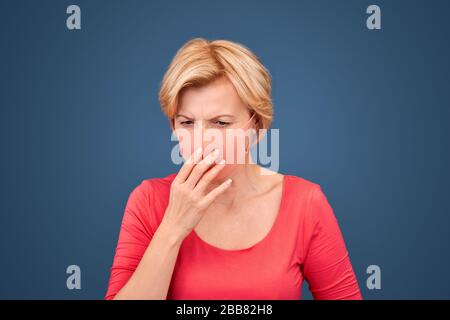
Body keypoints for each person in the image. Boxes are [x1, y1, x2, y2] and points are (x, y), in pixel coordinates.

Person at [105, 38, 362, 300]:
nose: (202, 140)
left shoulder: (305, 203)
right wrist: (173, 226)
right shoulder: (148, 201)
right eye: (187, 122)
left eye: (221, 123)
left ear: (257, 126)